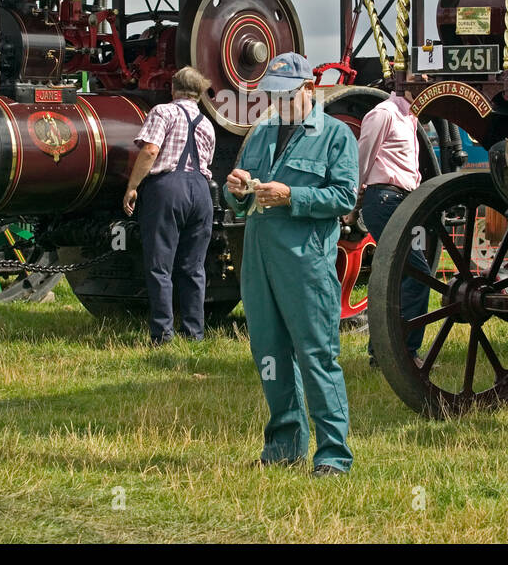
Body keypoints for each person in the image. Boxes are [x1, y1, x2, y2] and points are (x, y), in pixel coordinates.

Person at [223, 52, 358, 476]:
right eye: (272, 96)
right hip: (260, 260)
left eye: (285, 95)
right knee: (270, 353)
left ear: (309, 90)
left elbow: (345, 199)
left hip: (306, 263)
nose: (277, 104)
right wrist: (236, 189)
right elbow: (236, 201)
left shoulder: (336, 135)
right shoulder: (262, 134)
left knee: (317, 355)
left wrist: (292, 197)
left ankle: (333, 455)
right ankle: (284, 447)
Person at [124, 66, 216, 345]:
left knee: (160, 265)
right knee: (193, 267)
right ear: (199, 93)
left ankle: (162, 334)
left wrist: (132, 187)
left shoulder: (163, 112)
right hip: (201, 191)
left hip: (168, 188)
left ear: (173, 88)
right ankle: (194, 333)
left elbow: (150, 150)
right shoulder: (206, 123)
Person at [352, 84, 432, 367]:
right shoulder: (383, 113)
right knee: (417, 274)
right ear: (402, 77)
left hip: (401, 200)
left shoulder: (410, 117)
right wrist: (352, 201)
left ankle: (382, 354)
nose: (424, 81)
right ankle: (406, 353)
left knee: (395, 276)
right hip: (384, 200)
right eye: (418, 74)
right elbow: (363, 157)